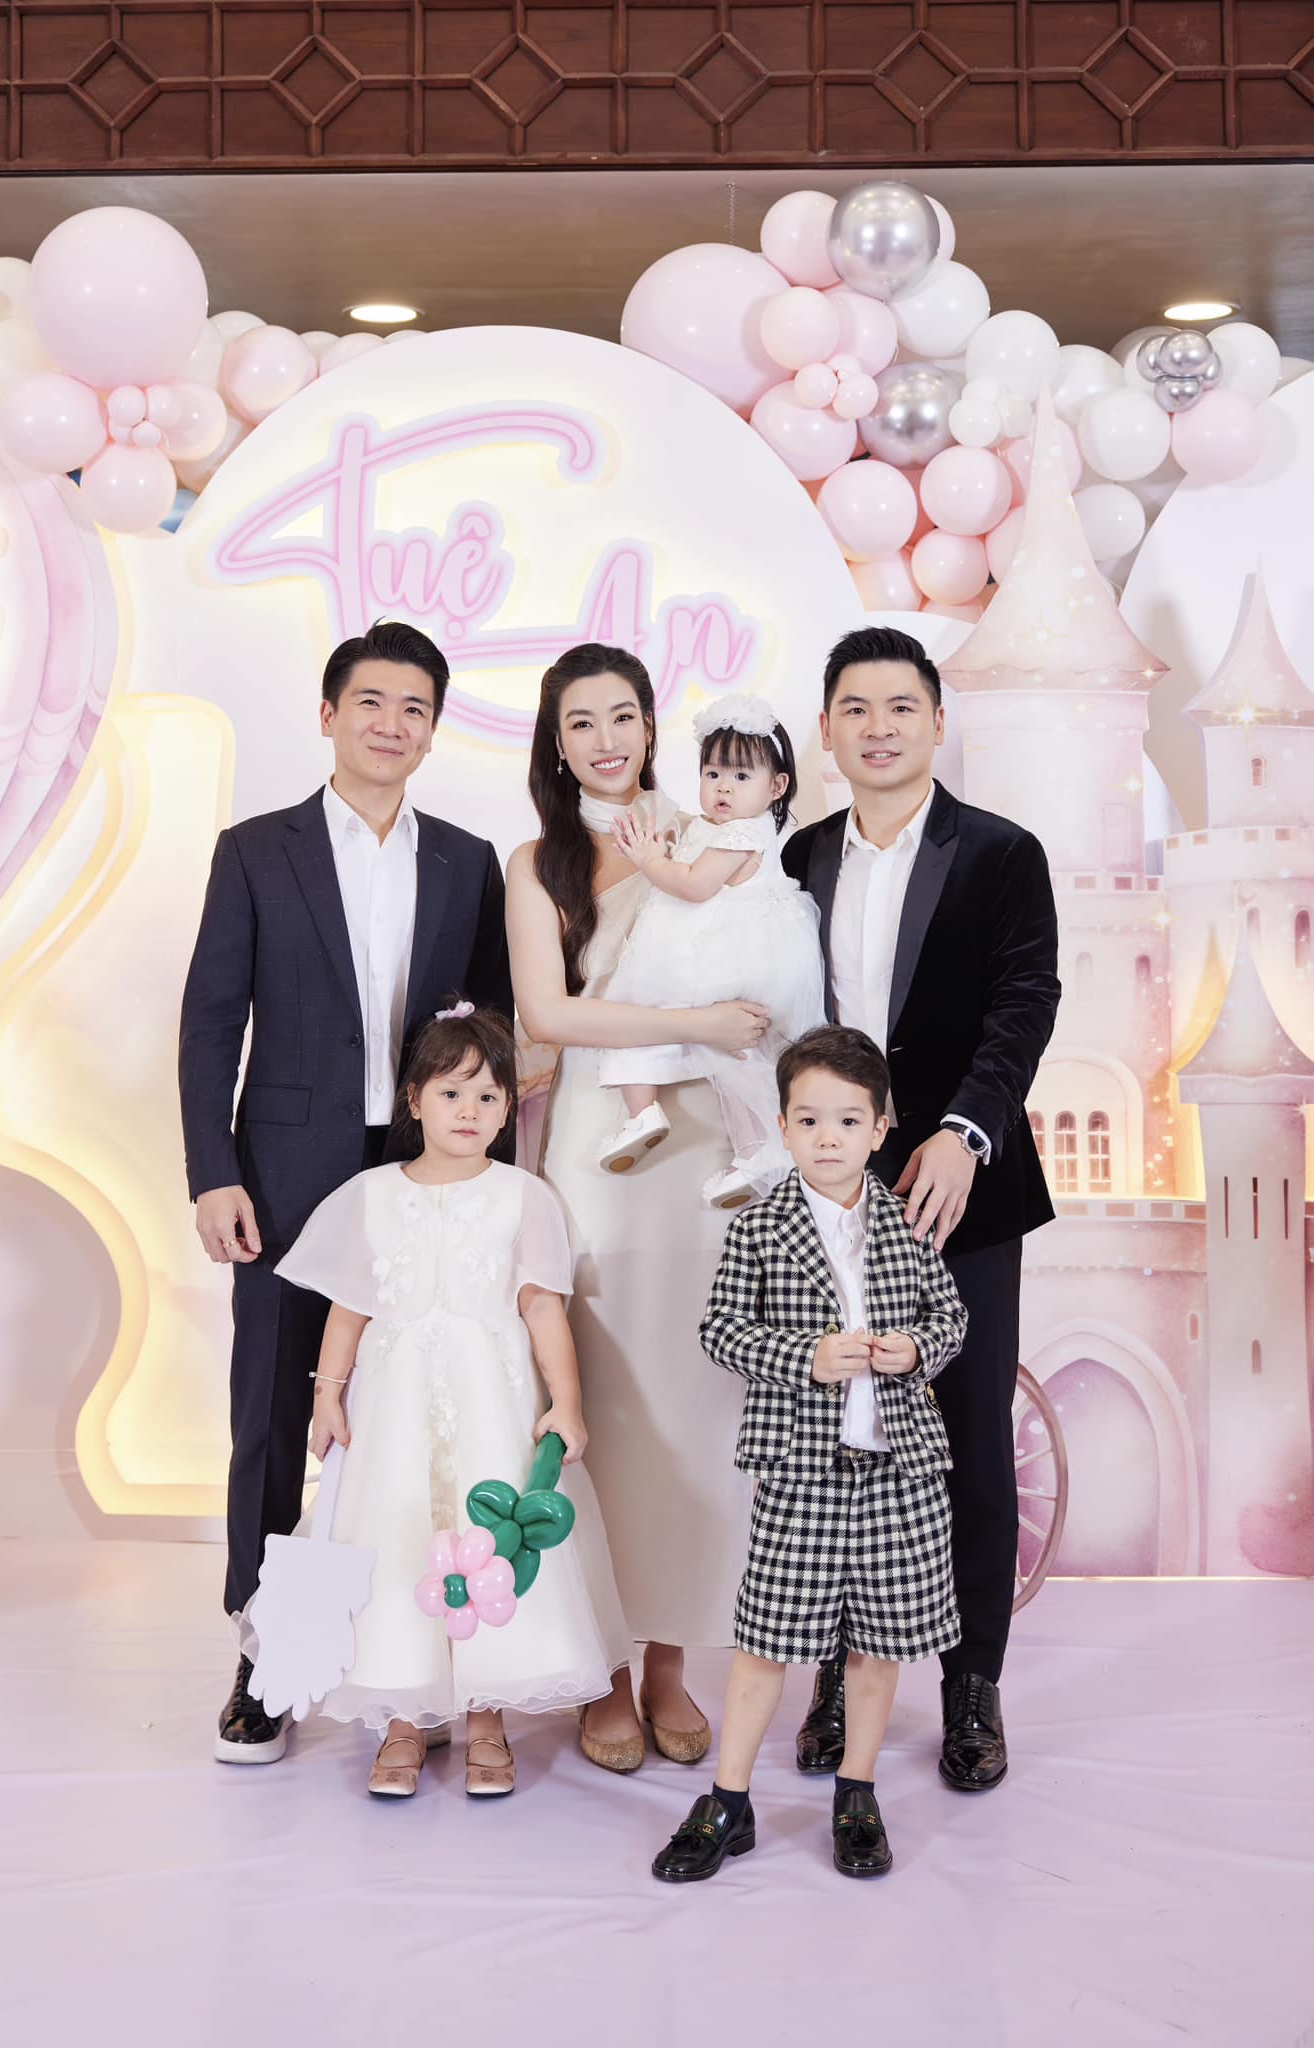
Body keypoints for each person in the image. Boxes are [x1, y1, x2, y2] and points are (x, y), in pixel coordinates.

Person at [179, 618, 511, 1765]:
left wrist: (494, 1171)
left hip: (428, 1167)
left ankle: (421, 1661)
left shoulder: (466, 859)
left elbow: (493, 1032)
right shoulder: (254, 850)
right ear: (328, 714)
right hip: (286, 1169)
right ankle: (268, 1656)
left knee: (418, 1406)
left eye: (414, 706)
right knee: (277, 1410)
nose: (390, 722)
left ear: (433, 727)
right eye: (370, 700)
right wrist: (214, 1170)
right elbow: (210, 1019)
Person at [784, 626, 1060, 1794]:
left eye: (901, 705)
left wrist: (963, 1129)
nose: (879, 726)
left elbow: (1024, 1001)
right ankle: (834, 1677)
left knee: (968, 1443)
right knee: (834, 1440)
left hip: (961, 1191)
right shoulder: (795, 858)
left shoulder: (1000, 852)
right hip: (826, 1195)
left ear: (937, 722)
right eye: (855, 707)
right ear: (827, 729)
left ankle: (971, 1686)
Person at [244, 1006, 630, 1797]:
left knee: (490, 1546)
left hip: (493, 1406)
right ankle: (403, 1717)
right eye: (452, 1093)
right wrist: (327, 1397)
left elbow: (542, 1307)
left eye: (488, 1098)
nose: (469, 1112)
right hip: (395, 1414)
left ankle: (486, 1715)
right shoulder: (371, 1195)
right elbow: (348, 1311)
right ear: (414, 1099)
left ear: (509, 1109)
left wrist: (567, 1402)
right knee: (399, 1536)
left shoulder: (523, 1197)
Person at [506, 642, 768, 1773]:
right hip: (600, 1141)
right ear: (556, 744)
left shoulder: (704, 830)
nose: (606, 740)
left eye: (623, 716)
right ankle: (603, 1667)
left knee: (696, 1398)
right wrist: (695, 1022)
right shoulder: (537, 862)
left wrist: (723, 1036)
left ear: (652, 726)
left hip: (704, 1138)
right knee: (603, 1396)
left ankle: (667, 1662)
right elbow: (548, 1017)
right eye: (582, 723)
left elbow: (759, 958)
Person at [651, 1027, 968, 1883]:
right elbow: (722, 1331)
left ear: (881, 1127)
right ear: (784, 1126)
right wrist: (807, 1357)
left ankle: (857, 1791)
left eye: (849, 1120)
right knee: (766, 1639)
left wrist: (915, 1349)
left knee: (880, 1640)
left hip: (900, 1470)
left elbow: (950, 1318)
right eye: (810, 1120)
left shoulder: (907, 1223)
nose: (829, 1139)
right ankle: (729, 1799)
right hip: (801, 1470)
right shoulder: (760, 1229)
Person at [596, 693, 826, 1208]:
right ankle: (755, 1151)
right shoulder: (721, 827)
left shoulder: (742, 832)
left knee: (635, 1011)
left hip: (723, 956)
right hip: (734, 955)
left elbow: (696, 885)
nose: (723, 787)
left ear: (776, 786)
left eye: (741, 776)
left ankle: (643, 1113)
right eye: (713, 773)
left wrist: (649, 860)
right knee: (736, 1060)